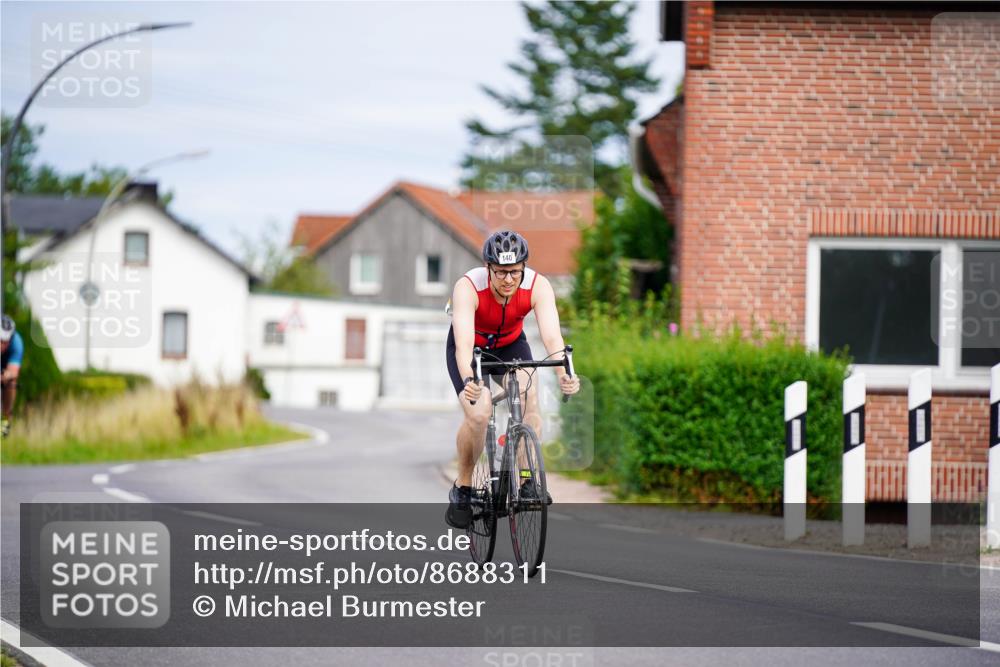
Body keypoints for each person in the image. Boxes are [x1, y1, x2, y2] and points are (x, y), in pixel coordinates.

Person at [445, 230, 580, 528]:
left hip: (510, 346)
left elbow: (552, 337)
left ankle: (527, 481)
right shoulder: (468, 287)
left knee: (529, 397)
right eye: (501, 272)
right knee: (479, 413)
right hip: (472, 349)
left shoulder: (538, 286)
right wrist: (470, 380)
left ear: (523, 267)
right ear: (488, 268)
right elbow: (464, 346)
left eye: (515, 272)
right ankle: (463, 487)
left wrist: (564, 374)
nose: (508, 279)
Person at [1, 315, 24, 438]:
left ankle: (5, 419)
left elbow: (13, 371)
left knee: (11, 382)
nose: (1, 345)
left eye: (5, 342)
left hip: (5, 367)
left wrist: (5, 376)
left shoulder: (17, 343)